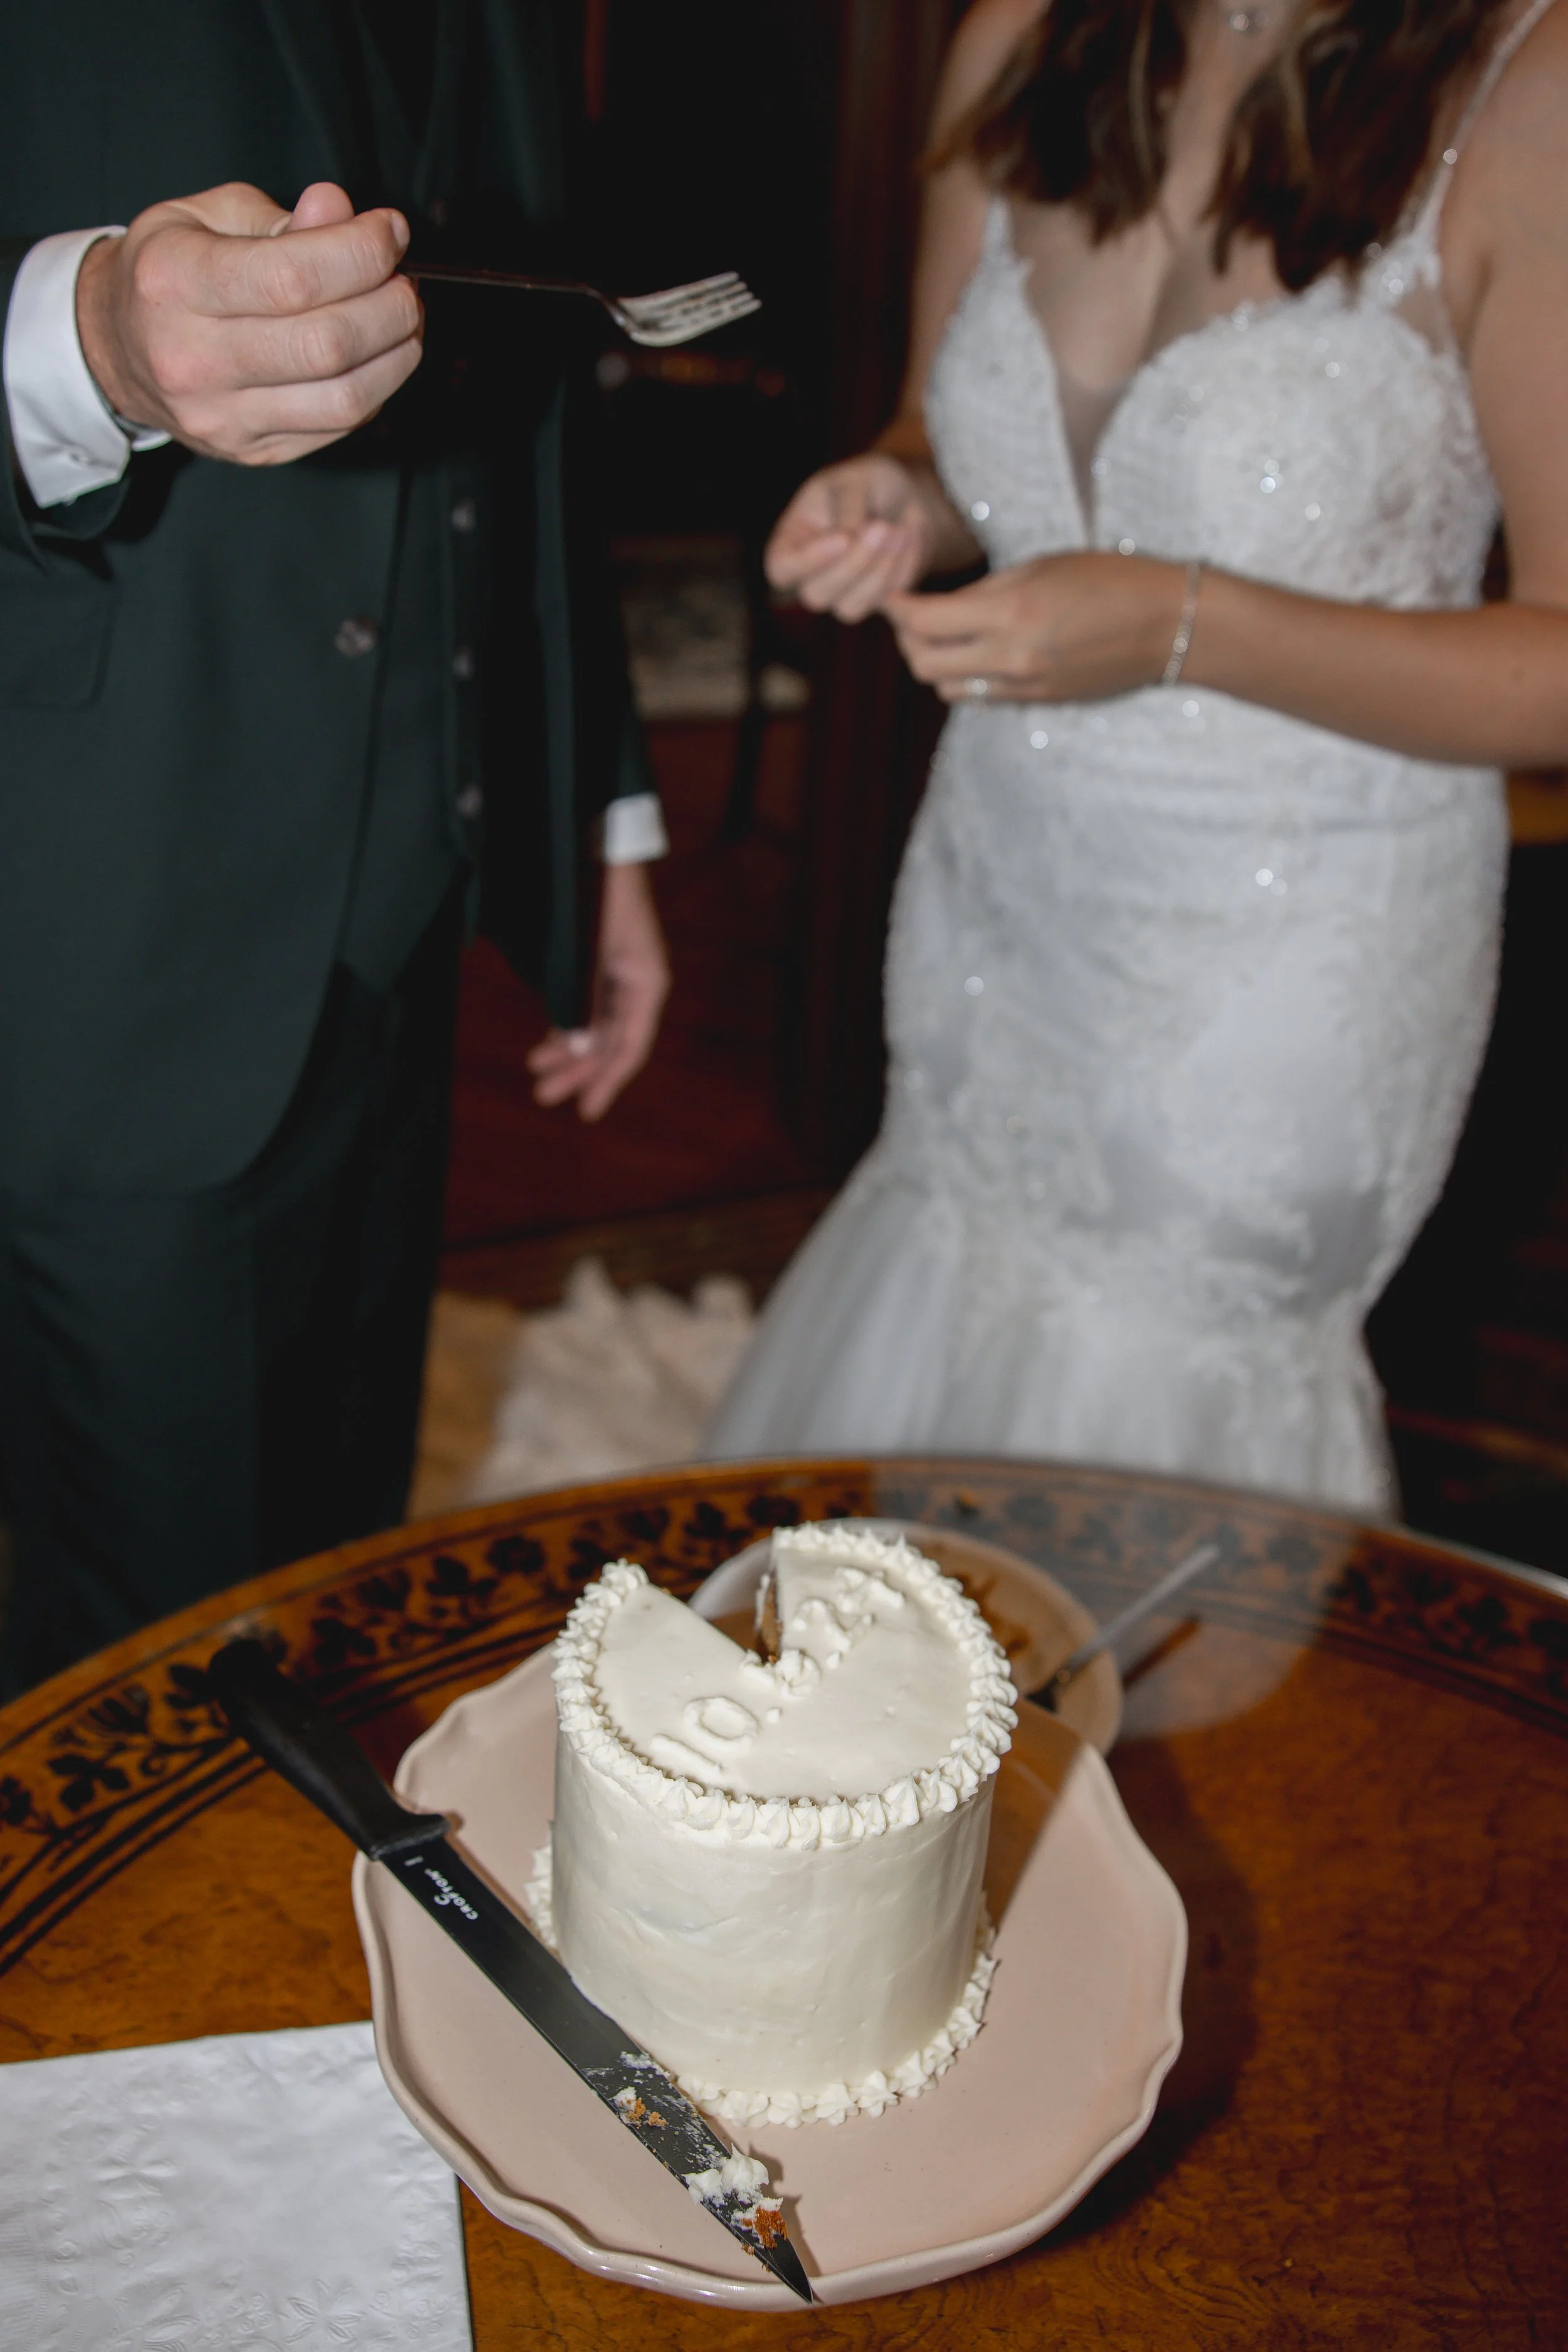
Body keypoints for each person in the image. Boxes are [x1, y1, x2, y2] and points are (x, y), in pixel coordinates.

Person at [707, 0, 1568, 1512]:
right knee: (949, 1285)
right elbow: (936, 433)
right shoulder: (1024, 32)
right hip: (999, 889)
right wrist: (894, 498)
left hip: (1294, 944)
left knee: (1159, 1406)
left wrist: (1181, 625)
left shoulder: (1528, 82)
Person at [0, 0, 669, 1693]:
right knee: (139, 1669)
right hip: (103, 926)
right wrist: (88, 339)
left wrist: (600, 805)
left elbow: (536, 400)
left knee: (334, 1559)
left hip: (402, 905)